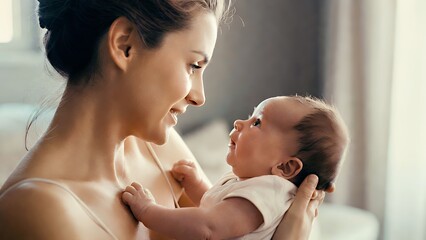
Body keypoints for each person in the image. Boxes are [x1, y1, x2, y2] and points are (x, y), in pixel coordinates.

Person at [0, 0, 327, 239]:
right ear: (124, 45)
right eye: (194, 66)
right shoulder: (37, 209)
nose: (200, 96)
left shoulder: (161, 148)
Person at [122, 95, 349, 240]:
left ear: (286, 167)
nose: (240, 123)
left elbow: (209, 227)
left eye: (257, 122)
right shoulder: (255, 189)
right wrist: (197, 185)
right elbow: (222, 210)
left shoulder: (270, 192)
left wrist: (148, 211)